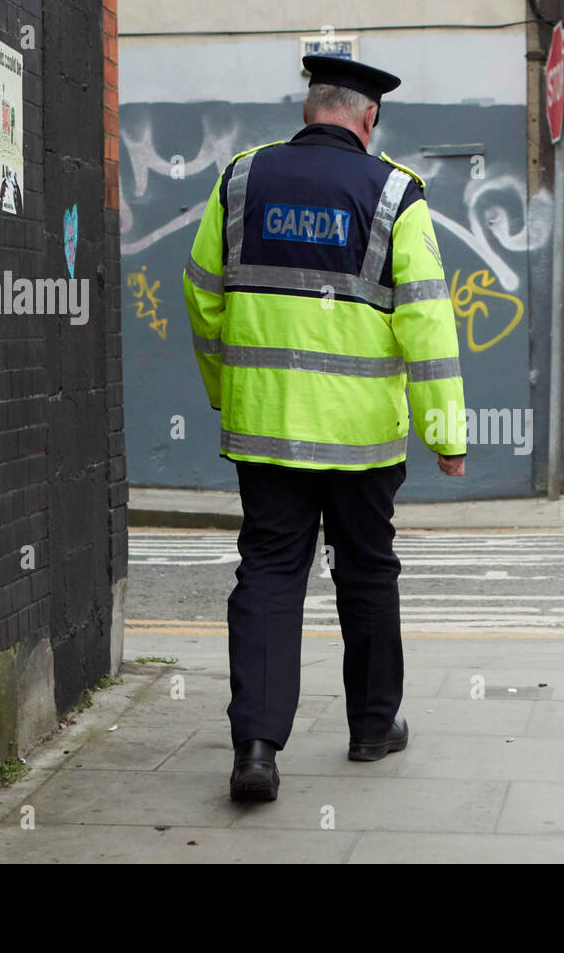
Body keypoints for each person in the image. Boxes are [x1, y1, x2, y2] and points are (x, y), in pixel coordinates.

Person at [182, 55, 468, 802]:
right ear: (369, 117)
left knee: (271, 574)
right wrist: (446, 432)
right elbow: (428, 319)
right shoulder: (396, 192)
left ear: (309, 105)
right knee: (367, 571)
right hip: (361, 437)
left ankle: (256, 748)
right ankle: (373, 727)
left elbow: (202, 296)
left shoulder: (241, 178)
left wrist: (226, 389)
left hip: (264, 427)